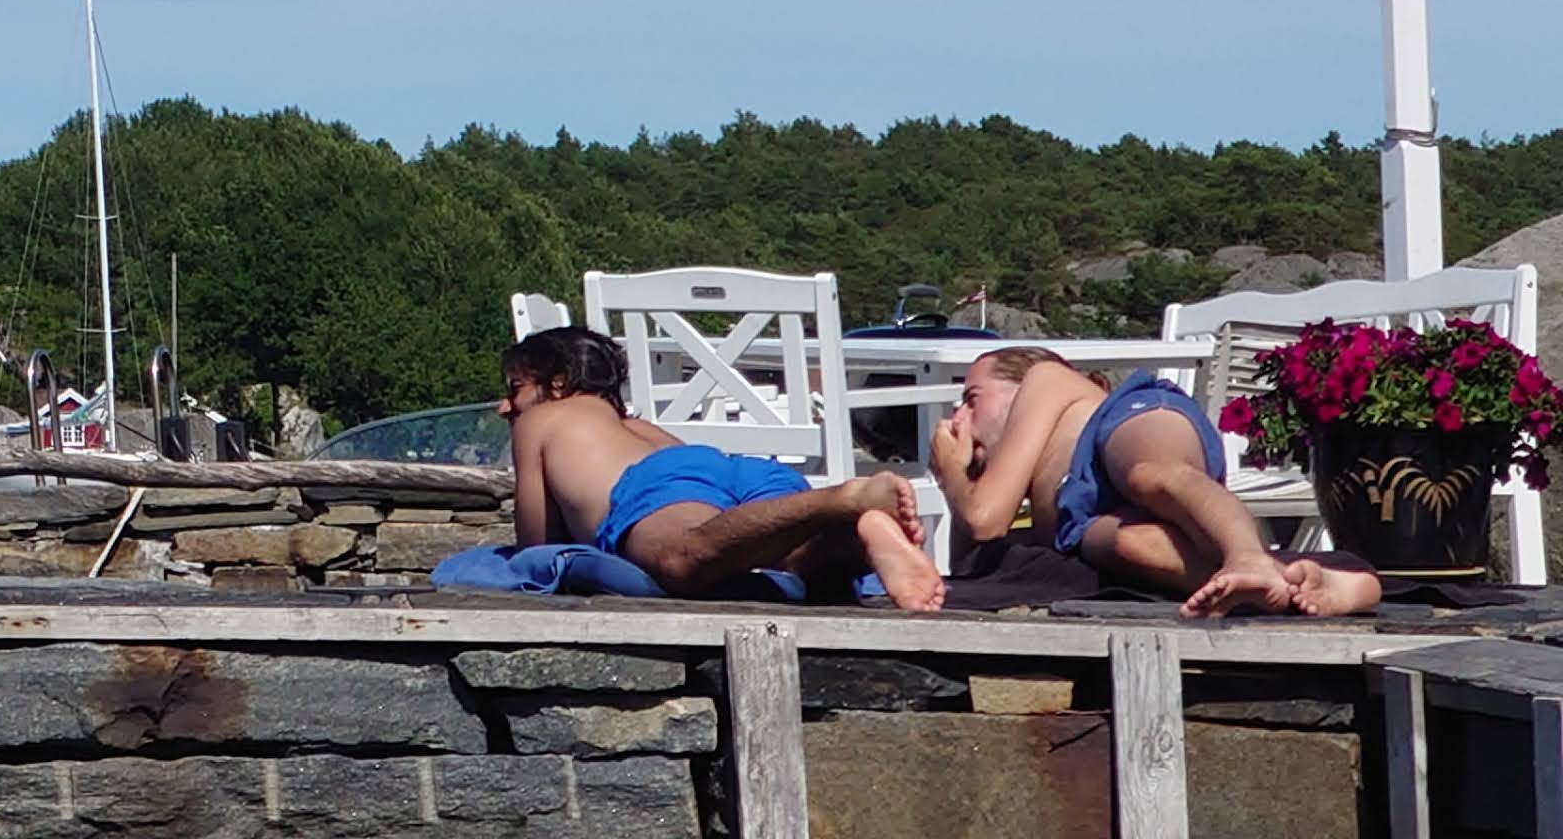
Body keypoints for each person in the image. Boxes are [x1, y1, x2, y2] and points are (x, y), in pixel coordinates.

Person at [503, 326, 943, 610]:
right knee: (791, 558)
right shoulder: (637, 428)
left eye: (515, 389)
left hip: (660, 486)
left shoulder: (542, 418)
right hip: (731, 472)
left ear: (557, 382)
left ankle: (844, 499)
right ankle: (853, 537)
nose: (506, 405)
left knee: (682, 557)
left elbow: (538, 544)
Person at [933, 346, 1382, 617]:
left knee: (1151, 475)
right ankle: (1293, 585)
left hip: (1122, 429)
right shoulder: (1029, 487)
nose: (960, 417)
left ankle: (1247, 556)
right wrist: (970, 472)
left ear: (1019, 387)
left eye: (972, 399)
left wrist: (950, 470)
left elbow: (984, 518)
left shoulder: (1045, 380)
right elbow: (972, 562)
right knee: (1135, 545)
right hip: (1084, 515)